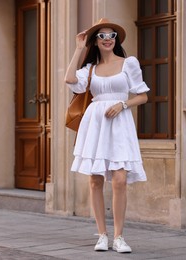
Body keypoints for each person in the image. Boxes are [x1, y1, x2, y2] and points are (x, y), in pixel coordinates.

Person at [64, 18, 149, 253]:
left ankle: (119, 237)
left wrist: (123, 104)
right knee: (95, 180)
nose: (108, 39)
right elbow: (69, 80)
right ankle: (102, 234)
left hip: (120, 123)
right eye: (102, 36)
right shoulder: (89, 70)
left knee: (120, 180)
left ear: (117, 39)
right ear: (95, 41)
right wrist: (79, 48)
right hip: (96, 125)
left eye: (111, 35)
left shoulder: (129, 63)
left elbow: (142, 96)